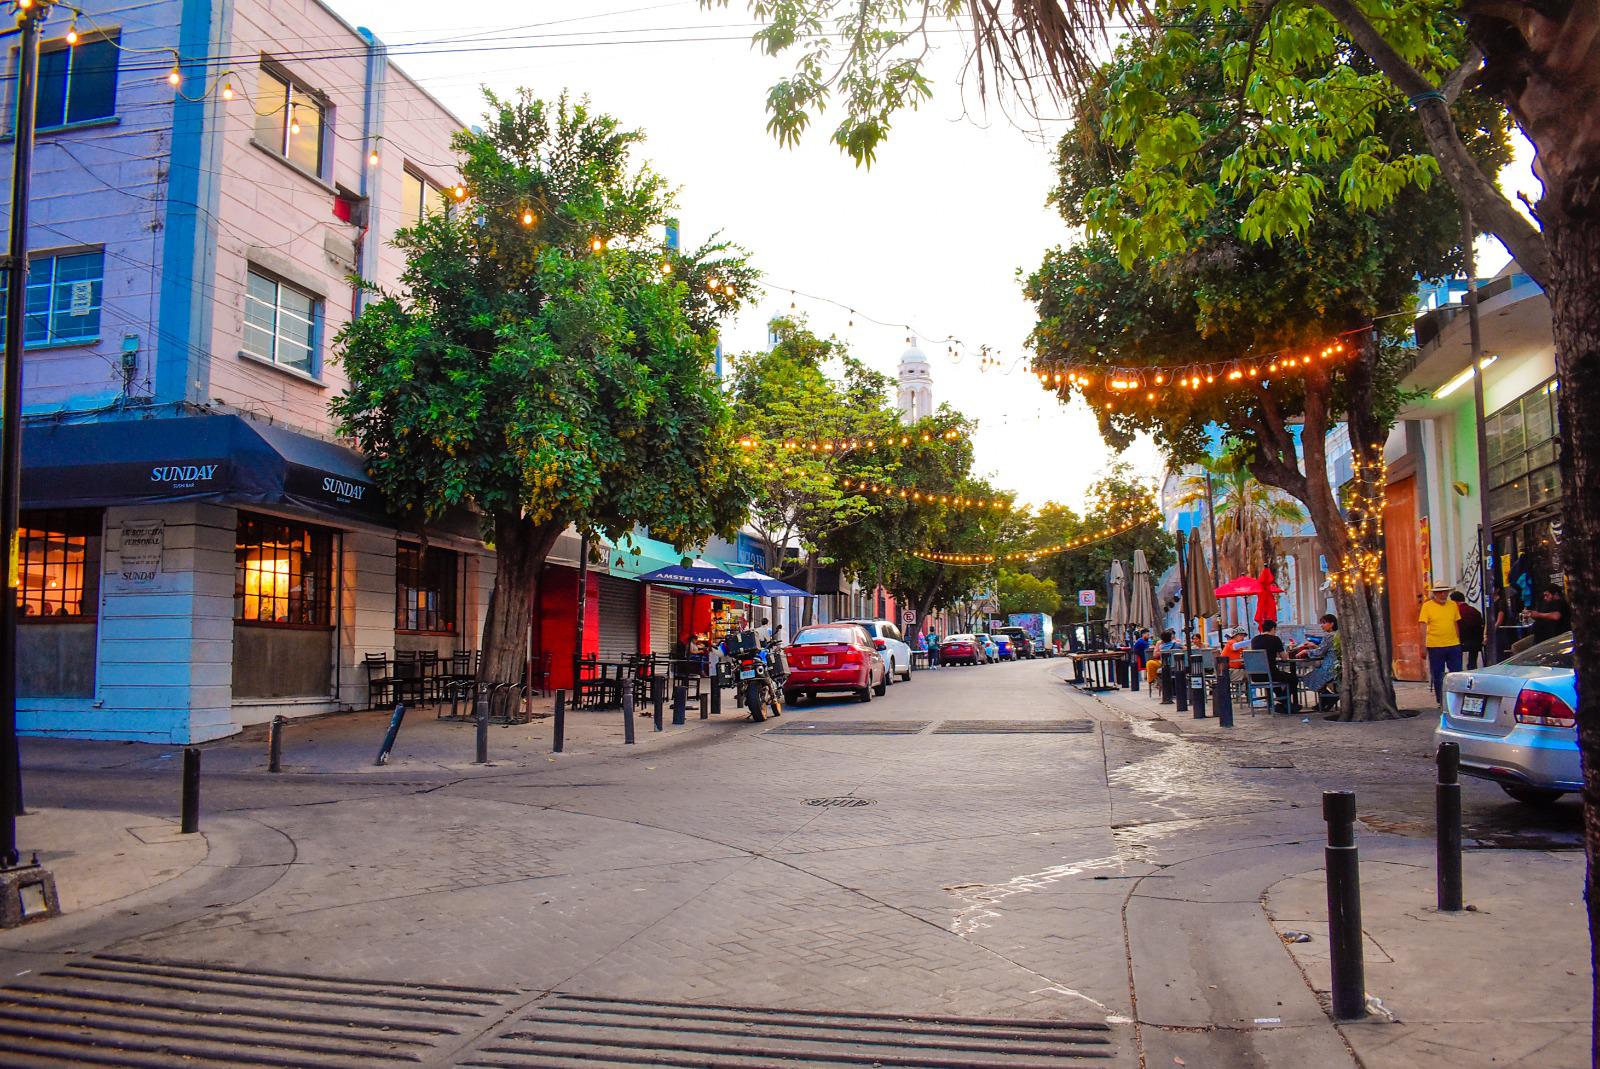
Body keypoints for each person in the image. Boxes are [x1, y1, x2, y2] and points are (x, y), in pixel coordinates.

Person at [1418, 585, 1463, 704]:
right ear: (1435, 594)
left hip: (1453, 644)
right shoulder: (1427, 606)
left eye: (1445, 592)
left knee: (1457, 673)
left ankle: (1457, 700)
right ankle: (1441, 700)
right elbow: (1423, 626)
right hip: (1435, 645)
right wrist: (1422, 645)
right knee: (1438, 674)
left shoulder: (1453, 605)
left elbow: (1455, 623)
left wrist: (1458, 640)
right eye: (1440, 592)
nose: (1443, 594)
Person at [1297, 614, 1340, 709]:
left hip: (1329, 667)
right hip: (1337, 666)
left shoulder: (1329, 636)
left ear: (1332, 624)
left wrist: (1306, 651)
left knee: (1308, 678)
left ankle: (1329, 698)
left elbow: (1320, 652)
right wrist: (1314, 646)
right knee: (1314, 676)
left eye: (1324, 623)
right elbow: (1327, 650)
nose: (1321, 625)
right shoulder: (1337, 634)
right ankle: (1325, 700)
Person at [1250, 620, 1293, 715]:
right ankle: (1285, 702)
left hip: (1256, 675)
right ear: (1273, 629)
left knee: (1278, 678)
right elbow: (1284, 658)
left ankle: (1284, 702)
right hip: (1270, 674)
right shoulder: (1275, 639)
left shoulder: (1254, 640)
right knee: (1293, 678)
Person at [1450, 592, 1485, 669]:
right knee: (1473, 653)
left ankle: (1458, 669)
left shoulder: (1457, 612)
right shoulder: (1474, 610)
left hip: (1462, 643)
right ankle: (1472, 666)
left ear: (1454, 602)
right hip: (1477, 643)